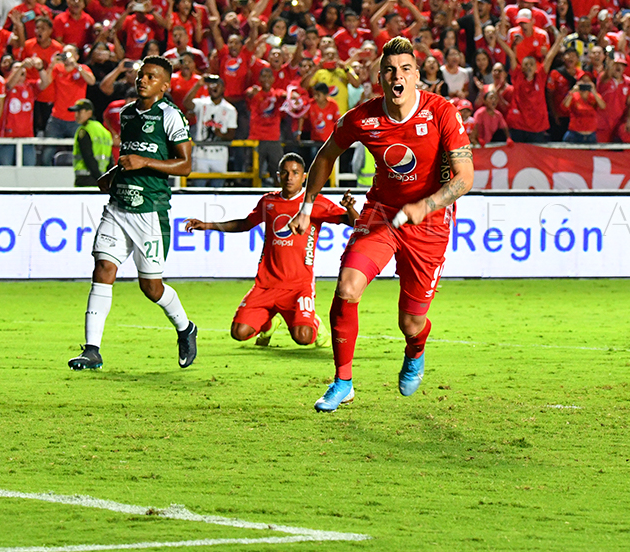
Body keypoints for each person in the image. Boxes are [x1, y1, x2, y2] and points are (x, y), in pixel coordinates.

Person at [292, 37, 473, 411]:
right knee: (347, 287)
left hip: (430, 223)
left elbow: (465, 177)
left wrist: (427, 205)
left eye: (406, 69)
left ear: (417, 77)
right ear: (380, 77)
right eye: (391, 70)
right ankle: (343, 382)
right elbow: (326, 156)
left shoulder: (442, 112)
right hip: (382, 213)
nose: (398, 76)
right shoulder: (363, 117)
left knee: (410, 322)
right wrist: (307, 206)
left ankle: (416, 349)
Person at [68, 56, 199, 372]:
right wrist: (113, 173)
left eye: (151, 77)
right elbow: (131, 155)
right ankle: (92, 350)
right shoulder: (126, 114)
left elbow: (185, 165)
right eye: (141, 75)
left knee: (151, 288)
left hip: (150, 211)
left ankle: (185, 328)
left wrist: (144, 163)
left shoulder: (171, 117)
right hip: (118, 206)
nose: (142, 80)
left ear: (164, 85)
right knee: (103, 269)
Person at [183, 153, 359, 348]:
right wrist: (208, 225)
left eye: (295, 172)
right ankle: (269, 322)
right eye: (284, 172)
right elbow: (244, 224)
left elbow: (354, 223)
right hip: (266, 285)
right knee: (239, 332)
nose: (289, 177)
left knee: (304, 336)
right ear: (278, 176)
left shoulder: (314, 204)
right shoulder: (269, 202)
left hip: (298, 286)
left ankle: (315, 324)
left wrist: (350, 208)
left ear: (304, 176)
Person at [183, 75, 238, 187]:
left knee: (218, 193)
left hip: (220, 156)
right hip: (200, 155)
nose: (215, 88)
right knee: (197, 191)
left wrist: (221, 134)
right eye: (212, 85)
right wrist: (198, 84)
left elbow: (231, 135)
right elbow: (186, 103)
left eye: (218, 85)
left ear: (223, 88)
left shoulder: (230, 109)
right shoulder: (202, 103)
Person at [71, 99, 113, 187]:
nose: (76, 115)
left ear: (89, 112)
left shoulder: (85, 130)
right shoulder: (104, 131)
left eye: (79, 111)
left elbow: (88, 157)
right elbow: (110, 159)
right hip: (101, 178)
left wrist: (99, 178)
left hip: (85, 178)